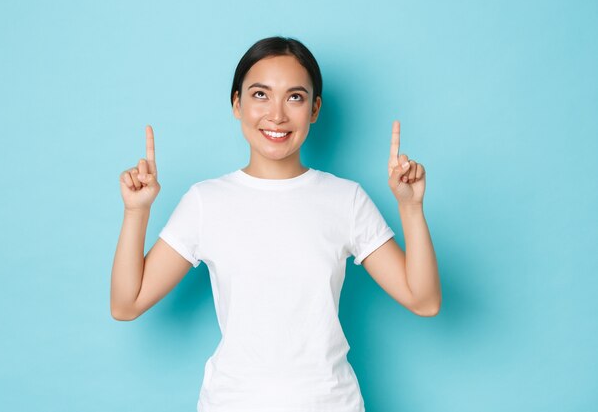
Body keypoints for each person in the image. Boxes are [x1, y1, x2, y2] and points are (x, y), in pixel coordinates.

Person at [111, 36, 441, 412]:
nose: (278, 115)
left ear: (315, 109)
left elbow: (424, 300)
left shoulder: (345, 199)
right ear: (237, 103)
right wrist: (136, 212)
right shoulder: (206, 201)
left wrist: (411, 208)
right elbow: (127, 303)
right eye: (260, 95)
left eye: (295, 97)